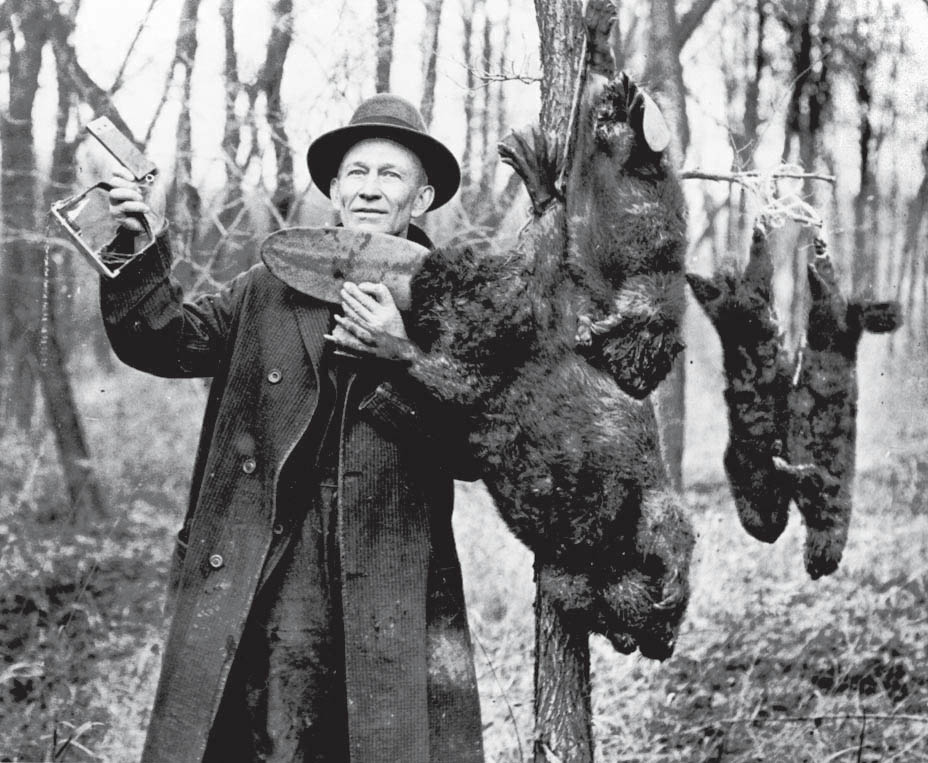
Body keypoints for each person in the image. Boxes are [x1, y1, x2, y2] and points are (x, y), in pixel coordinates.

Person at [102, 94, 484, 763]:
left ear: (421, 198)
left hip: (388, 579)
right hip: (278, 576)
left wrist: (404, 356)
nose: (370, 187)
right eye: (356, 172)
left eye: (390, 175)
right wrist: (141, 245)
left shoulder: (450, 305)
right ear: (334, 189)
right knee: (274, 741)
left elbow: (476, 448)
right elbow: (162, 341)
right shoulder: (265, 287)